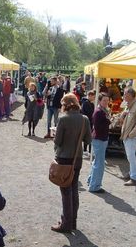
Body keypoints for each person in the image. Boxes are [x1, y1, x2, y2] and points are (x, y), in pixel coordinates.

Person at [51, 94, 92, 233]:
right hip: (77, 159)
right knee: (74, 189)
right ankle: (72, 221)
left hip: (64, 159)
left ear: (65, 104)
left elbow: (58, 142)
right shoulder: (85, 119)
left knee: (66, 192)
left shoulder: (63, 118)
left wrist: (56, 134)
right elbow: (88, 140)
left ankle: (66, 224)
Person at [120, 87, 136, 186]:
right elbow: (124, 118)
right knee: (130, 157)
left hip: (131, 136)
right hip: (127, 135)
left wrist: (131, 135)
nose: (124, 96)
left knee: (131, 156)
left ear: (130, 95)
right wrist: (122, 115)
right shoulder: (128, 105)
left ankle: (134, 177)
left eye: (125, 94)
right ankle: (131, 173)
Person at [87, 93, 111, 193]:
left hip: (101, 139)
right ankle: (94, 186)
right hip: (99, 139)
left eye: (107, 100)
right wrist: (108, 121)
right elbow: (97, 128)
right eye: (104, 100)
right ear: (100, 101)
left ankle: (91, 181)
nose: (106, 102)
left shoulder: (103, 111)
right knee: (99, 164)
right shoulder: (99, 112)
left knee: (97, 162)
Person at [81, 91, 96, 155]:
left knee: (88, 135)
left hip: (89, 121)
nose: (94, 98)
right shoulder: (86, 103)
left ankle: (87, 150)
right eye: (93, 97)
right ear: (89, 96)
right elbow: (90, 113)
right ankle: (86, 150)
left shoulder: (91, 104)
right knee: (88, 135)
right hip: (87, 121)